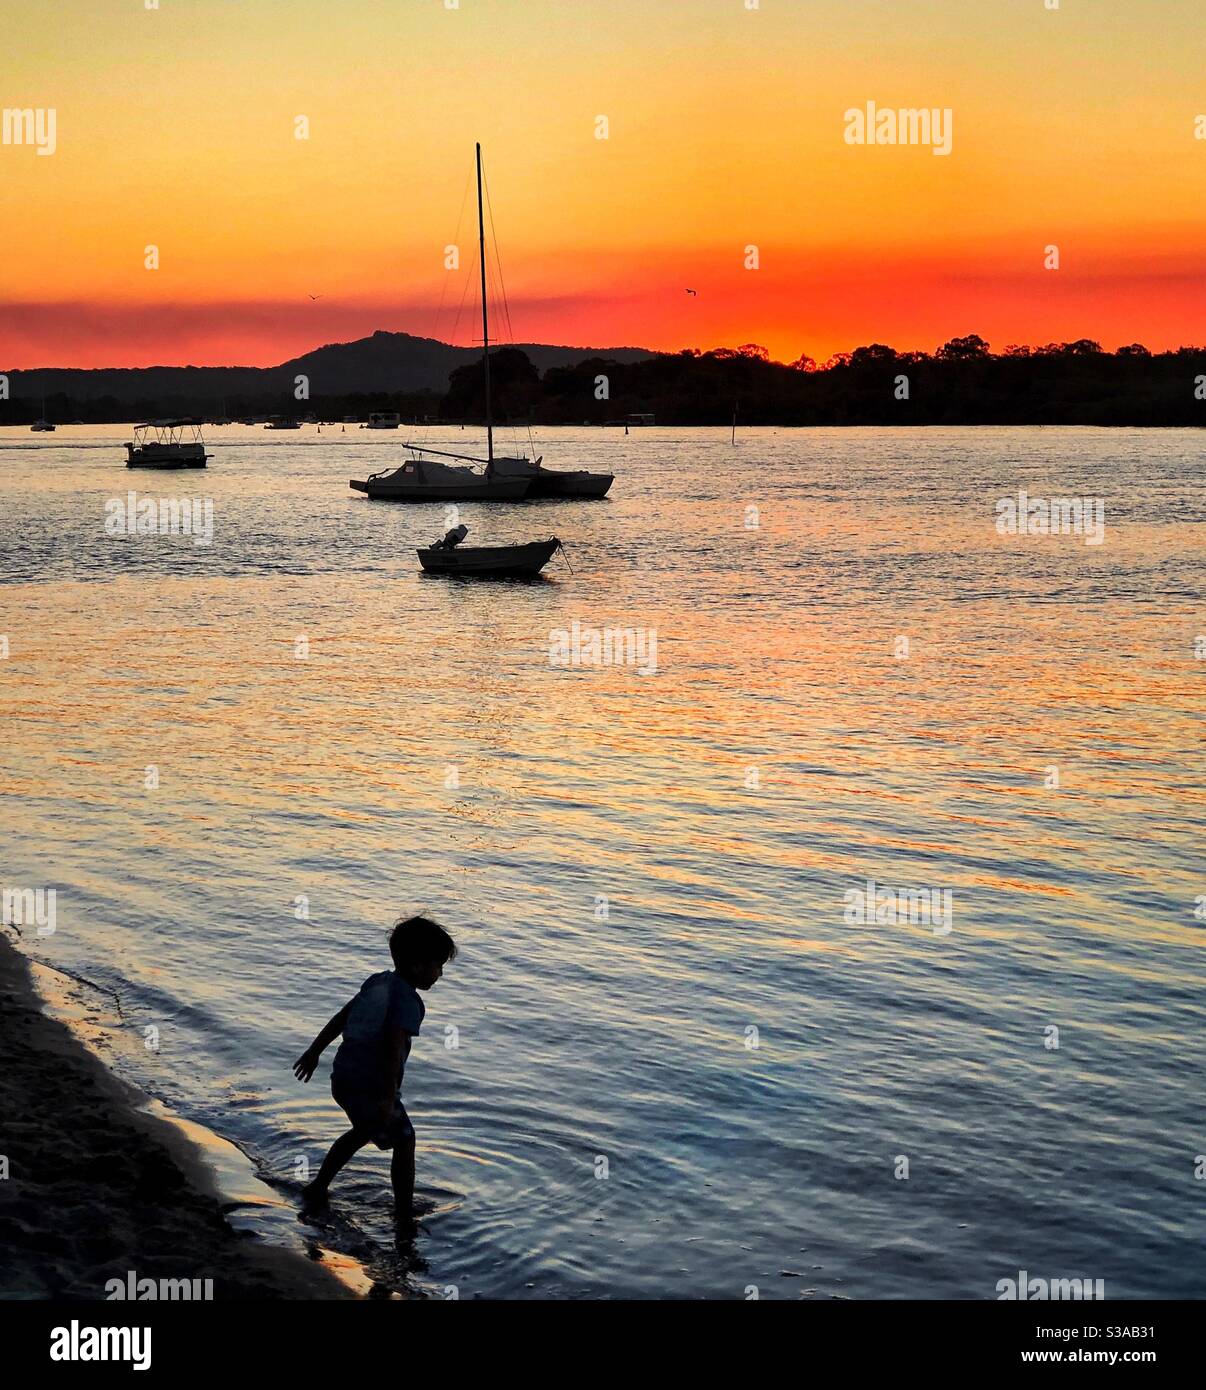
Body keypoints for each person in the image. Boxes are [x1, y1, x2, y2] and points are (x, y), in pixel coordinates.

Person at [293, 915, 457, 1221]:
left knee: (362, 1132)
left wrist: (314, 1051)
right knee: (405, 1140)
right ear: (417, 965)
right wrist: (386, 1095)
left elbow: (342, 1017)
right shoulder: (407, 1001)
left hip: (344, 1077)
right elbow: (391, 1050)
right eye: (438, 965)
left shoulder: (378, 982)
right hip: (371, 1084)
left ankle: (318, 1187)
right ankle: (404, 1212)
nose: (441, 973)